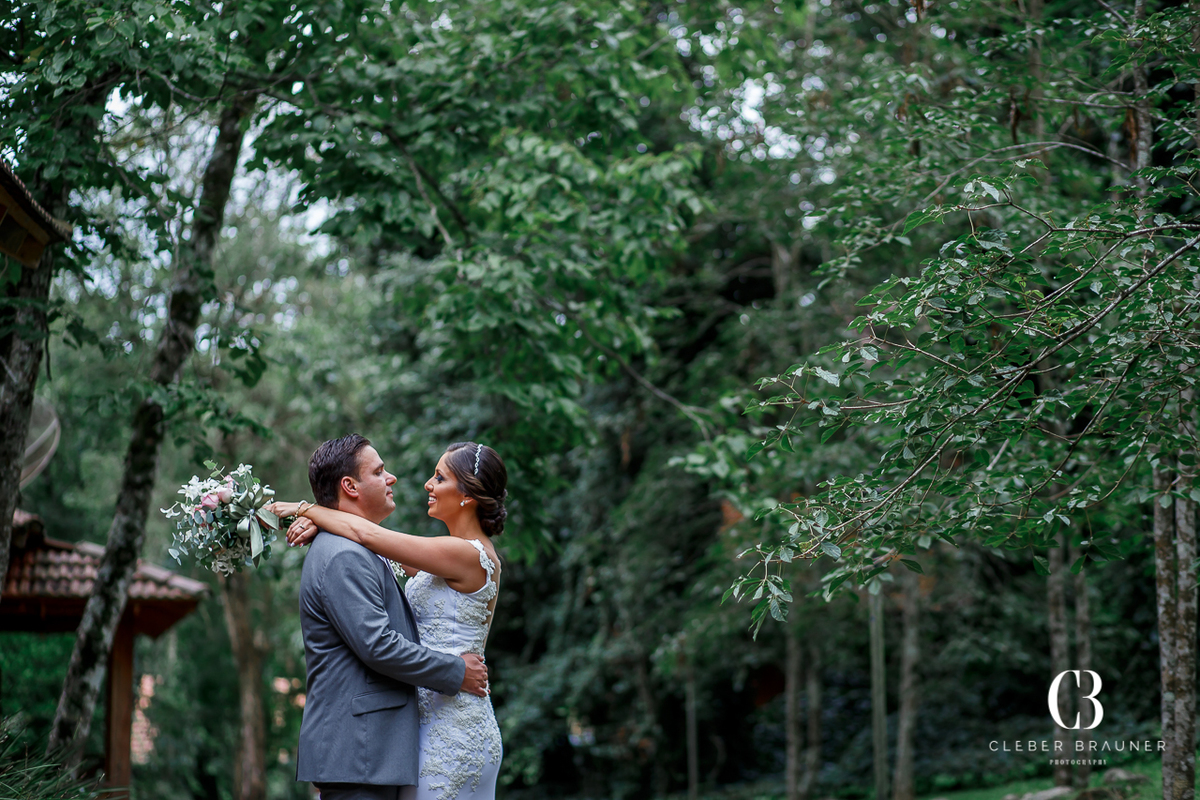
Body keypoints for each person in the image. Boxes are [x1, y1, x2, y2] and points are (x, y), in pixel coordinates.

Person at [272, 440, 507, 800]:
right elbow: (368, 541)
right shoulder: (436, 557)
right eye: (380, 471)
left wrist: (309, 511)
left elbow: (369, 535)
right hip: (425, 720)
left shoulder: (465, 554)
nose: (427, 484)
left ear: (467, 495)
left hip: (454, 722)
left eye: (439, 478)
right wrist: (323, 522)